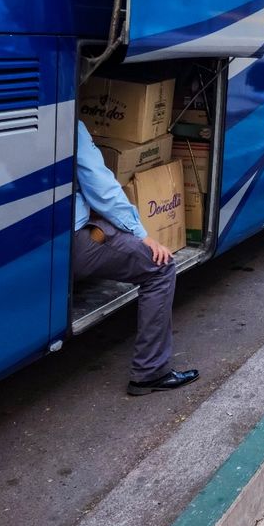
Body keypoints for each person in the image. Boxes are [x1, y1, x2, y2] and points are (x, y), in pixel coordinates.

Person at [73, 122, 199, 396]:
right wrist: (142, 234)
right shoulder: (69, 120)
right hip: (71, 243)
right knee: (161, 266)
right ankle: (151, 372)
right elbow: (100, 186)